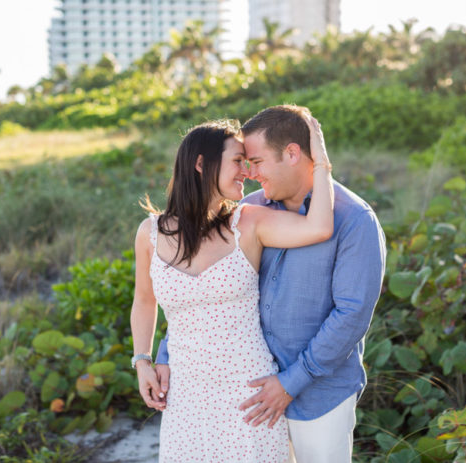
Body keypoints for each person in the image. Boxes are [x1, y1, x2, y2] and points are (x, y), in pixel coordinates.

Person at [154, 105, 386, 462]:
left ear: (292, 153)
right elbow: (207, 292)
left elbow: (351, 316)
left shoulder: (354, 220)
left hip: (317, 397)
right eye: (244, 162)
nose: (249, 173)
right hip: (248, 391)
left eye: (257, 162)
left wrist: (289, 383)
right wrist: (165, 355)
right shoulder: (247, 210)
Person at [130, 113, 334, 462]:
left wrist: (322, 163)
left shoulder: (249, 223)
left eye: (248, 162)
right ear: (200, 164)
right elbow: (144, 301)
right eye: (238, 161)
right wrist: (142, 361)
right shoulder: (150, 233)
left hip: (249, 393)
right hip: (185, 396)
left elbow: (319, 228)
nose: (247, 171)